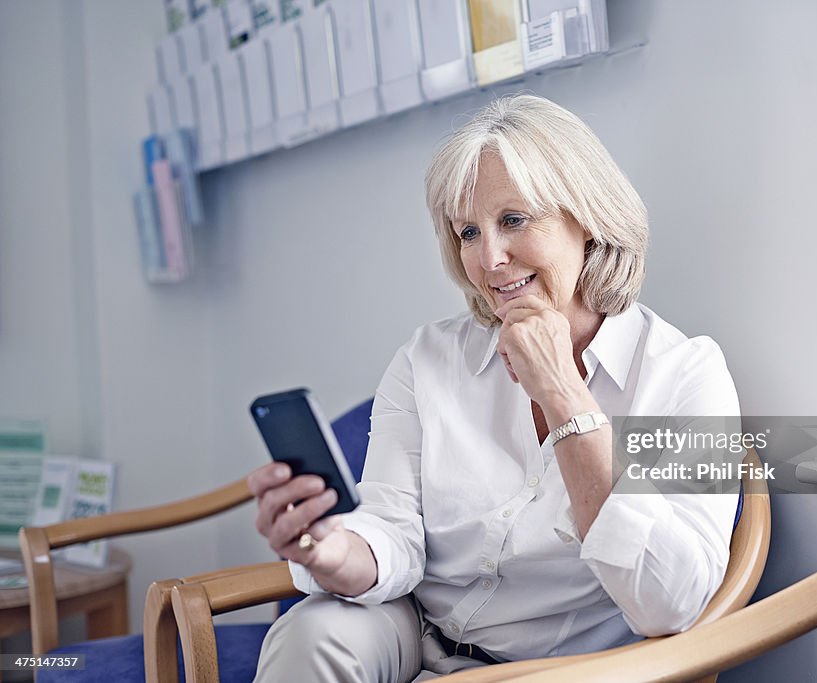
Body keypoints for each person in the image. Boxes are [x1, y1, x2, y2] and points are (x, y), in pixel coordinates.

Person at [247, 94, 742, 682]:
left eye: (514, 220)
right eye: (467, 232)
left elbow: (671, 602)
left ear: (587, 217)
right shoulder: (427, 359)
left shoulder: (685, 374)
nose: (490, 259)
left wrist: (562, 393)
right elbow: (392, 532)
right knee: (310, 632)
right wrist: (330, 551)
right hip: (419, 631)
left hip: (570, 669)